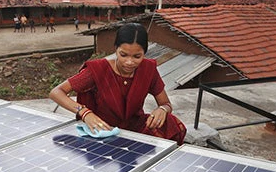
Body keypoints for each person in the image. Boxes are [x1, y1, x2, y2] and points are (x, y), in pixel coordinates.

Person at [49, 22, 186, 144]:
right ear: (116, 49)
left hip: (136, 128)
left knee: (170, 122)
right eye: (123, 55)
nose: (129, 62)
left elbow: (166, 104)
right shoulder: (98, 70)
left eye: (137, 56)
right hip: (103, 129)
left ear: (144, 52)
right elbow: (56, 92)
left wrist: (162, 110)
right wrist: (85, 113)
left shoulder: (148, 69)